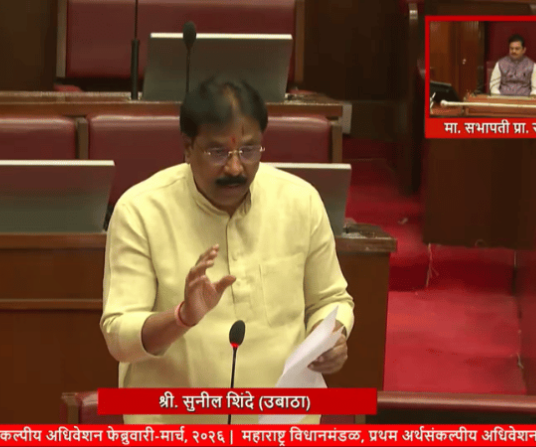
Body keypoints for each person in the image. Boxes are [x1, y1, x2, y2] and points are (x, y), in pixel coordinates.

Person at [100, 77, 354, 424]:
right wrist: (182, 317)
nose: (235, 168)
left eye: (249, 151)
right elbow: (119, 338)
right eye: (217, 152)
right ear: (187, 147)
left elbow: (331, 299)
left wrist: (332, 337)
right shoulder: (141, 211)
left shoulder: (301, 201)